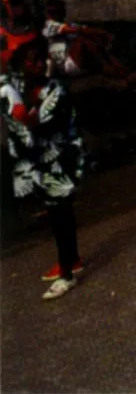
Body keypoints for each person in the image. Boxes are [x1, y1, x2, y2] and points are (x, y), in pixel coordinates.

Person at [3, 37, 87, 300]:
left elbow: (34, 123)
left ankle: (66, 276)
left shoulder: (55, 90)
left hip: (59, 159)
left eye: (42, 60)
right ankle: (71, 260)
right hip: (37, 160)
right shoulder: (16, 85)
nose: (39, 65)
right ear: (20, 65)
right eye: (32, 61)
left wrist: (18, 111)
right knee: (57, 212)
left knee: (60, 212)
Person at [41, 0, 129, 80]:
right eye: (51, 12)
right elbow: (75, 30)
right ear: (46, 14)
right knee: (82, 39)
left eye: (57, 12)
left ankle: (118, 66)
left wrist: (103, 34)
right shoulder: (48, 26)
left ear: (63, 12)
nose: (54, 15)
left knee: (92, 38)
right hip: (64, 65)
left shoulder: (69, 25)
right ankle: (107, 67)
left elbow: (86, 30)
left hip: (77, 61)